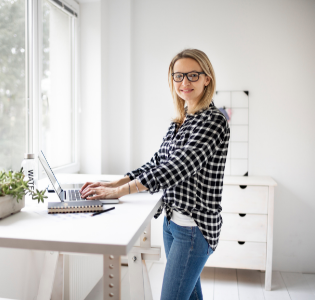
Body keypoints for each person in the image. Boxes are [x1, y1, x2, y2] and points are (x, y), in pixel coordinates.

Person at [80, 48, 230, 300]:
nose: (185, 82)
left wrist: (119, 192)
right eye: (178, 75)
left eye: (193, 75)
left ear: (207, 79)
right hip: (172, 223)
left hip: (194, 227)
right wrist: (115, 182)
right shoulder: (180, 121)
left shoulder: (214, 120)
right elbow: (158, 162)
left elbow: (177, 168)